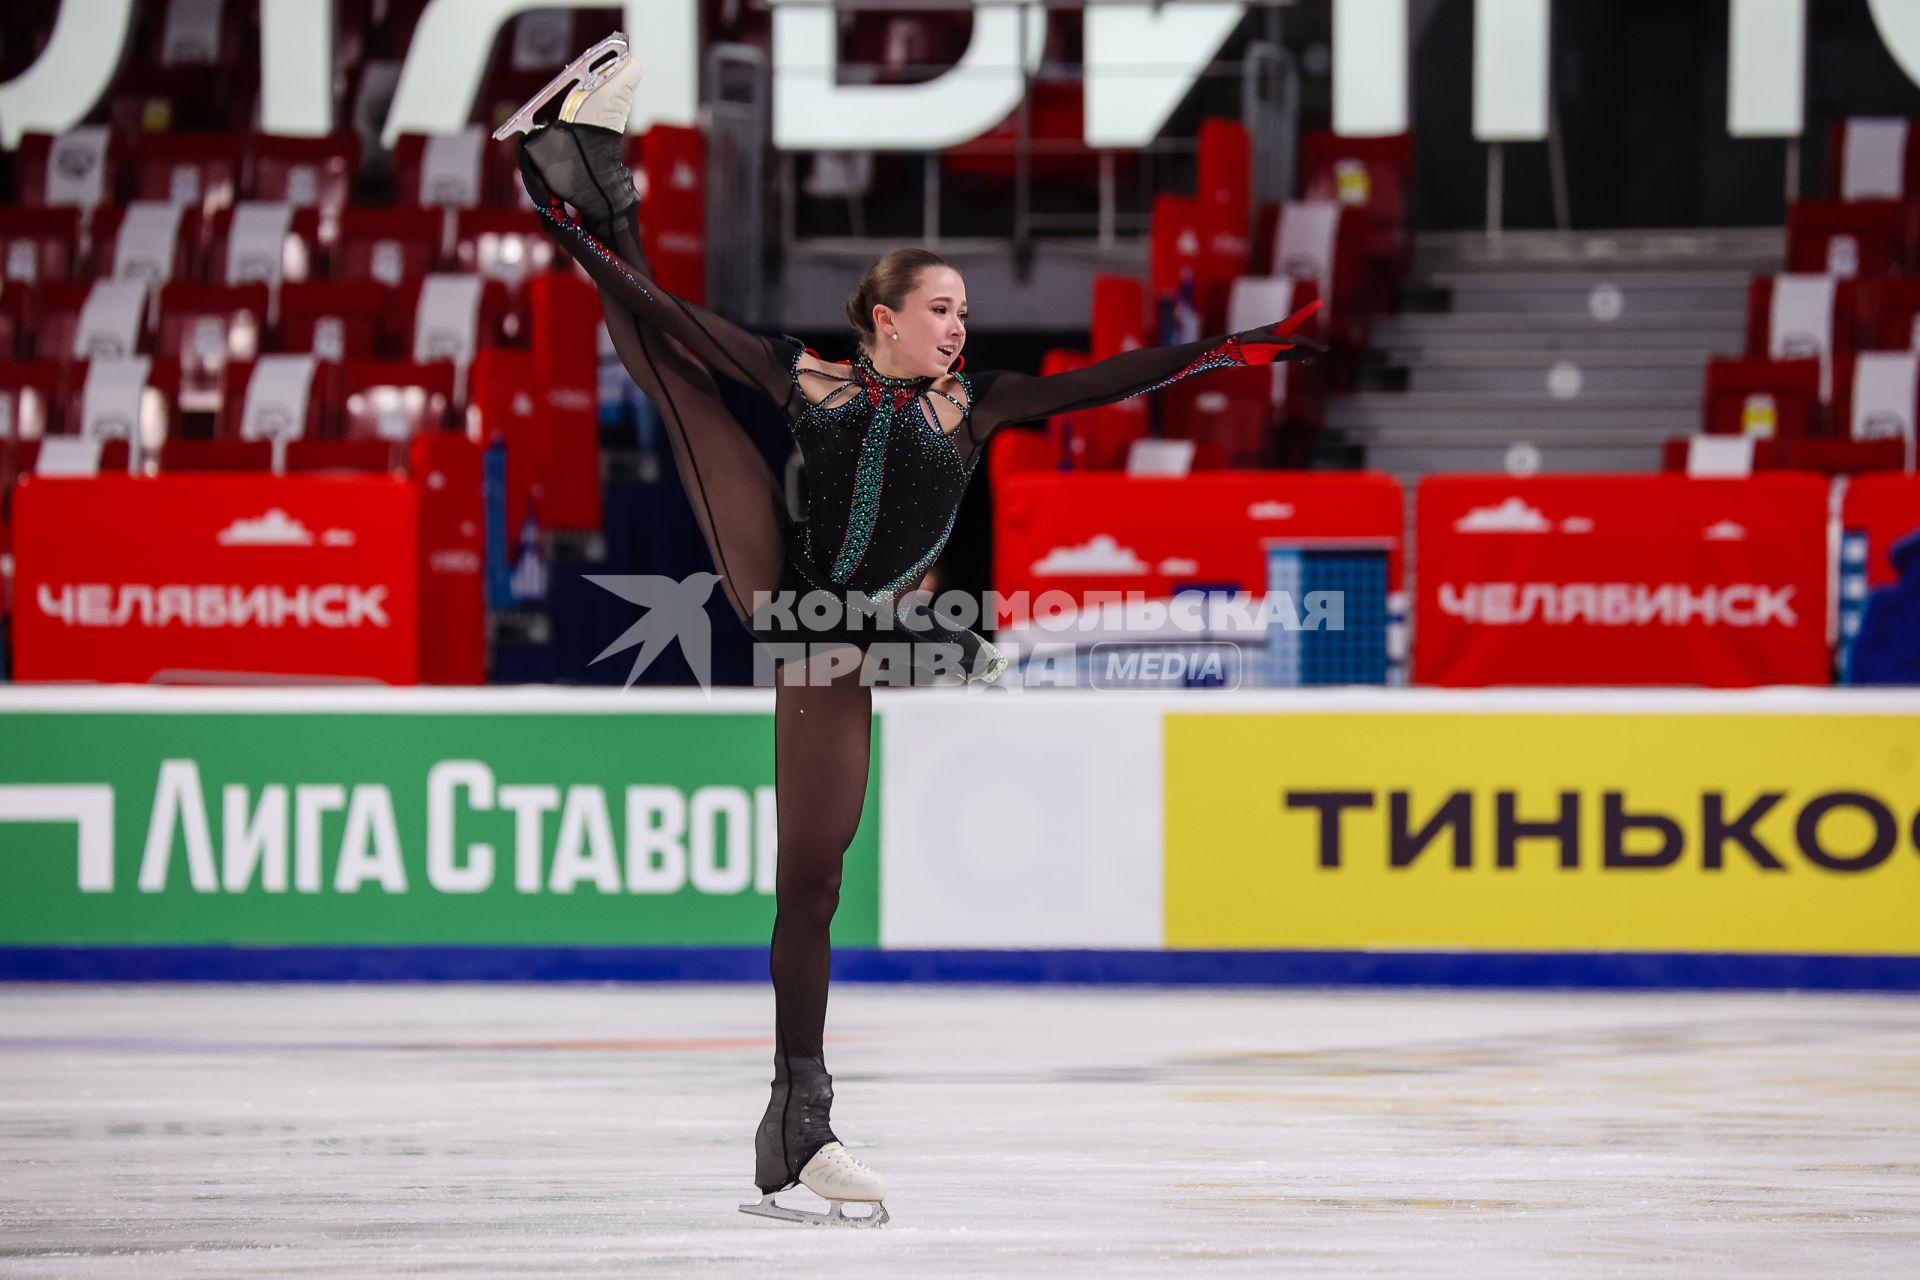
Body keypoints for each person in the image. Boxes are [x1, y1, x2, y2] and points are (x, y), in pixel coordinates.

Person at [498, 33, 1324, 1228]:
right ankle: (571, 174)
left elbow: (1104, 378)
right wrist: (576, 237)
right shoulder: (813, 379)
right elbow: (674, 318)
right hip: (794, 606)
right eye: (941, 309)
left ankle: (795, 1122)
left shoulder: (977, 406)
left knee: (822, 872)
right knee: (674, 370)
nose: (960, 328)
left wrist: (1225, 350)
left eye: (966, 311)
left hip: (861, 637)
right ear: (883, 317)